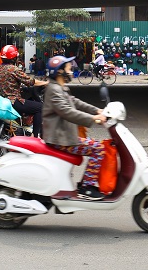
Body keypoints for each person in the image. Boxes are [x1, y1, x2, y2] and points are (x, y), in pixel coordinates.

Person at [43, 55, 108, 200]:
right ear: (59, 72)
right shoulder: (54, 90)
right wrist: (93, 118)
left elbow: (75, 102)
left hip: (65, 136)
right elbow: (67, 112)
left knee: (95, 144)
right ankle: (87, 187)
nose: (72, 70)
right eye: (68, 68)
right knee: (98, 148)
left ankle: (86, 184)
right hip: (60, 139)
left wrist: (97, 110)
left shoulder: (60, 88)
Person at [0, 45, 47, 138]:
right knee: (40, 107)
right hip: (12, 101)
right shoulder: (14, 69)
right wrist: (45, 83)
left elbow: (7, 82)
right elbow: (30, 81)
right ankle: (34, 137)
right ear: (14, 58)